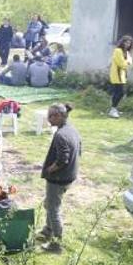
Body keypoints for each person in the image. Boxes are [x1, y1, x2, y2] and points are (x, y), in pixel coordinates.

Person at [38, 103, 81, 253]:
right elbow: (79, 150)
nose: (48, 118)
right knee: (49, 204)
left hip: (58, 179)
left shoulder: (61, 135)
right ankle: (47, 230)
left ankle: (56, 245)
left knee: (53, 210)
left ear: (58, 116)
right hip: (69, 176)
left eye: (50, 116)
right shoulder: (72, 129)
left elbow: (64, 159)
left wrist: (51, 168)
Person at [108, 35, 133, 118]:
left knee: (118, 93)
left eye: (129, 43)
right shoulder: (118, 51)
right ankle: (112, 110)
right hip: (117, 75)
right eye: (126, 42)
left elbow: (128, 62)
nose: (127, 44)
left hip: (122, 75)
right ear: (122, 42)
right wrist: (128, 61)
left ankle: (113, 108)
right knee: (120, 93)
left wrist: (128, 61)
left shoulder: (126, 52)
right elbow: (122, 64)